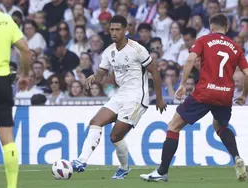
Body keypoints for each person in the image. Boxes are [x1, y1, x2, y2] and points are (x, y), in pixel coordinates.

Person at [140, 13, 248, 182]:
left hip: (205, 92)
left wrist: (182, 84)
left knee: (173, 126)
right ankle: (236, 158)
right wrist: (243, 95)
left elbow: (190, 59)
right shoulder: (236, 47)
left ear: (211, 27)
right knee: (220, 126)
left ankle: (162, 172)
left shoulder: (204, 40)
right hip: (225, 94)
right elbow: (247, 73)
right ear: (226, 28)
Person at [71, 15, 167, 179]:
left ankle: (123, 167)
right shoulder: (109, 52)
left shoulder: (137, 49)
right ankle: (81, 160)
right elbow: (101, 74)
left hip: (137, 97)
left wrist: (159, 98)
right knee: (95, 122)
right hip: (121, 94)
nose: (114, 33)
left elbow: (155, 72)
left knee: (115, 136)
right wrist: (93, 77)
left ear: (125, 30)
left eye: (117, 29)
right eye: (111, 30)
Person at [0, 1, 31, 188]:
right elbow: (25, 50)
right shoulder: (5, 19)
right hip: (2, 82)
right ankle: (11, 186)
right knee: (7, 139)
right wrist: (24, 74)